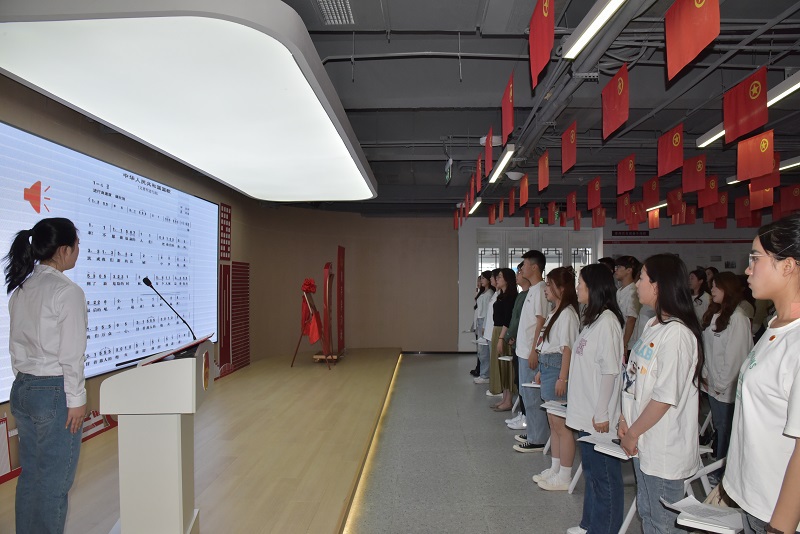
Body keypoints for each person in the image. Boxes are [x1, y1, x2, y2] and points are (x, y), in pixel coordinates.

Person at [4, 217, 87, 534]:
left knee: (31, 477)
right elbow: (72, 354)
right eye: (76, 245)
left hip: (23, 388)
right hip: (55, 393)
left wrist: (28, 381)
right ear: (64, 250)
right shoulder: (67, 292)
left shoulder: (21, 289)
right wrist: (76, 399)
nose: (78, 250)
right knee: (54, 484)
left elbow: (15, 347)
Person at [723, 214, 800, 534]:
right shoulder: (775, 326)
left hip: (775, 512)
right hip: (754, 499)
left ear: (788, 266)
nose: (747, 269)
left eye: (756, 258)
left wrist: (780, 527)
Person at [618, 254, 704, 534]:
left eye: (642, 278)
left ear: (658, 286)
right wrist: (624, 419)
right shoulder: (652, 325)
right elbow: (633, 380)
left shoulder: (677, 334)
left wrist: (633, 433)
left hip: (662, 446)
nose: (637, 284)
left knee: (664, 523)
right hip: (642, 439)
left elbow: (664, 397)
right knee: (647, 512)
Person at [566, 264, 625, 534]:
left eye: (581, 283)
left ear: (594, 288)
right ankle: (589, 524)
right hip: (586, 411)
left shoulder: (609, 322)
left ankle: (605, 529)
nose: (577, 288)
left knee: (604, 478)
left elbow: (610, 371)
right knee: (591, 472)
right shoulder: (595, 319)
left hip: (597, 417)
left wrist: (602, 413)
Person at [701, 271, 752, 472]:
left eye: (716, 286)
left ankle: (724, 474)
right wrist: (706, 375)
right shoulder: (716, 314)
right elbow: (709, 350)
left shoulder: (738, 318)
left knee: (727, 431)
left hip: (726, 389)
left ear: (728, 289)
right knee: (720, 428)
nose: (712, 289)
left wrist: (721, 384)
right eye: (712, 285)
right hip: (713, 385)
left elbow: (735, 357)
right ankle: (720, 470)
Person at [534, 266, 579, 490]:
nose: (546, 289)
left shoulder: (568, 314)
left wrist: (563, 378)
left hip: (558, 368)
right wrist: (541, 370)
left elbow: (567, 349)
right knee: (553, 422)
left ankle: (565, 475)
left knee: (562, 425)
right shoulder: (555, 311)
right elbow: (548, 343)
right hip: (549, 366)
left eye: (549, 285)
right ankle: (555, 467)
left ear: (561, 288)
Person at [513, 250, 550, 452]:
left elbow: (540, 322)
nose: (522, 268)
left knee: (533, 397)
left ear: (534, 267)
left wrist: (535, 350)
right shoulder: (533, 290)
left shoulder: (541, 289)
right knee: (526, 395)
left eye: (525, 264)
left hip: (530, 352)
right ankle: (534, 431)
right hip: (523, 350)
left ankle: (538, 439)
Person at [505, 263, 531, 430]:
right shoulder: (522, 295)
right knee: (519, 381)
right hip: (518, 343)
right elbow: (515, 318)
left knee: (524, 383)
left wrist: (509, 334)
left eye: (520, 271)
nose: (518, 274)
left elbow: (520, 320)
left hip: (524, 345)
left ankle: (526, 416)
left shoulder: (531, 293)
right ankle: (523, 413)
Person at [491, 268, 518, 411]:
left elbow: (508, 319)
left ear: (507, 279)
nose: (497, 279)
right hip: (497, 330)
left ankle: (508, 400)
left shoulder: (511, 297)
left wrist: (501, 337)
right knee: (501, 366)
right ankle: (504, 397)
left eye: (500, 277)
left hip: (503, 332)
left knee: (507, 366)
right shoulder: (501, 295)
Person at [614, 256, 641, 358]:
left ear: (629, 270)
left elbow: (631, 319)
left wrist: (624, 344)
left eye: (619, 267)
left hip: (629, 344)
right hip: (619, 338)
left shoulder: (633, 291)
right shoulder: (619, 291)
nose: (616, 270)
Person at [482, 269, 503, 397]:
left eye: (493, 277)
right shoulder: (495, 293)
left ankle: (499, 388)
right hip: (490, 332)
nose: (490, 279)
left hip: (495, 332)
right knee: (493, 361)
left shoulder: (500, 295)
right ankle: (495, 386)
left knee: (496, 362)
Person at [473, 271, 494, 385]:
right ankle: (483, 373)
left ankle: (485, 375)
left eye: (483, 278)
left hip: (484, 321)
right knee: (481, 351)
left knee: (484, 351)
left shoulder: (490, 293)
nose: (481, 281)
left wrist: (484, 325)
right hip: (480, 321)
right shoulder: (483, 292)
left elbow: (487, 312)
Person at [471, 276, 485, 377]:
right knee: (479, 350)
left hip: (481, 325)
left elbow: (483, 313)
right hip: (478, 324)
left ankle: (481, 370)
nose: (478, 283)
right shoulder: (480, 294)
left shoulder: (486, 295)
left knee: (482, 350)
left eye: (480, 281)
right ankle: (478, 368)